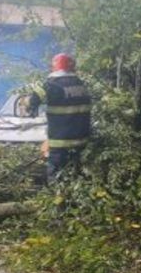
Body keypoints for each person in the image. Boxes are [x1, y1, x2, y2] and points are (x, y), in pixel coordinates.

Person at [21, 53, 92, 182]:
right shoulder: (81, 85)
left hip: (60, 142)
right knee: (78, 176)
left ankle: (58, 200)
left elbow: (33, 101)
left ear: (54, 68)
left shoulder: (51, 85)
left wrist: (26, 102)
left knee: (56, 176)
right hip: (82, 141)